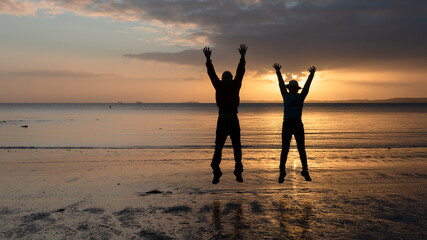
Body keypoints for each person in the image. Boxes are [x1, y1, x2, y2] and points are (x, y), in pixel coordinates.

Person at [203, 44, 248, 184]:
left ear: (231, 78)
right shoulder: (220, 85)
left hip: (232, 120)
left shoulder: (235, 85)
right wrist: (208, 60)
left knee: (237, 149)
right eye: (226, 78)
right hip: (223, 120)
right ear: (223, 79)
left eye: (229, 77)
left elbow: (240, 73)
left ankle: (238, 172)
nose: (228, 79)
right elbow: (211, 74)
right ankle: (216, 171)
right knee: (218, 148)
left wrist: (242, 58)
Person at [272, 63, 316, 183]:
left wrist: (311, 75)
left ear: (295, 89)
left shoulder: (300, 97)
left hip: (296, 123)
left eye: (293, 88)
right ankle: (282, 172)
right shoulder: (286, 95)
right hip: (288, 123)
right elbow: (281, 84)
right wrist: (278, 72)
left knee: (301, 148)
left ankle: (305, 171)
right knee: (285, 148)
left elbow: (307, 87)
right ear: (290, 88)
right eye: (290, 88)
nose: (291, 89)